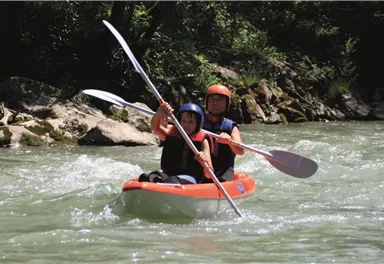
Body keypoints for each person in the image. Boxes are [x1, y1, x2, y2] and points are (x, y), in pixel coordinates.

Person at [139, 102, 213, 184]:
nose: (186, 125)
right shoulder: (171, 132)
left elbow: (209, 175)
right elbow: (155, 127)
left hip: (191, 178)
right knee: (151, 176)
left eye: (191, 122)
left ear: (198, 123)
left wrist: (204, 162)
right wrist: (159, 114)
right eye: (184, 121)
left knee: (173, 181)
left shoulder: (203, 141)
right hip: (169, 174)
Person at [202, 84, 244, 181]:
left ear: (227, 104)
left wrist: (230, 142)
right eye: (212, 99)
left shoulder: (231, 127)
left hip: (223, 171)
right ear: (207, 102)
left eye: (219, 100)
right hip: (202, 168)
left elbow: (240, 151)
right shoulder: (197, 123)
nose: (215, 104)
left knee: (223, 179)